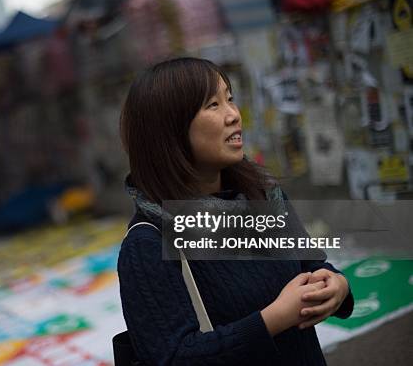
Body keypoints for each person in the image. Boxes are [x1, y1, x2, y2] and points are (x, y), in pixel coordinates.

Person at [118, 57, 353, 365]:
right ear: (169, 130)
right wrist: (273, 319)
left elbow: (313, 267)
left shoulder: (263, 196)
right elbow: (172, 357)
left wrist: (337, 286)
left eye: (230, 98)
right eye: (212, 105)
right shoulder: (147, 244)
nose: (233, 116)